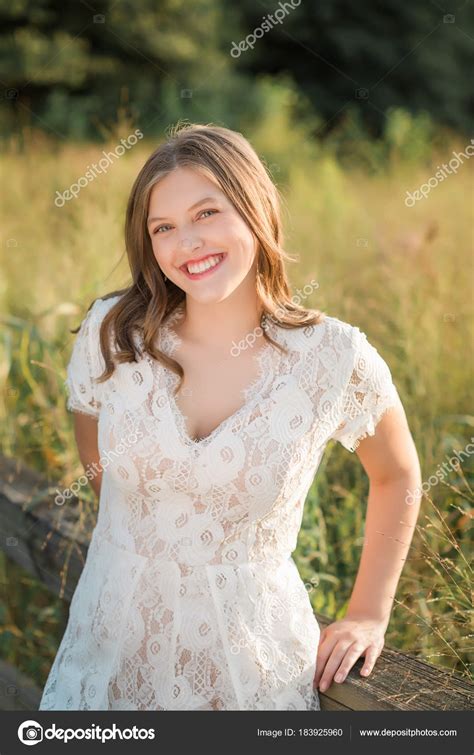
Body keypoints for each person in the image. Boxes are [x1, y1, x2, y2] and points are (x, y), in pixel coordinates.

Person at [39, 123, 422, 711]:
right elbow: (99, 465)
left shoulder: (331, 357)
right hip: (108, 663)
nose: (185, 242)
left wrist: (368, 614)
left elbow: (396, 476)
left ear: (256, 208)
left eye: (206, 213)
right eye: (162, 228)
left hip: (251, 676)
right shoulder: (113, 334)